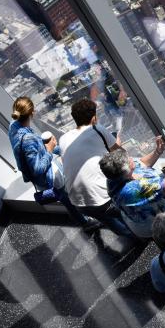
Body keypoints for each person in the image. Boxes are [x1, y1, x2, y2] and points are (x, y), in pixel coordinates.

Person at [8, 97, 99, 231]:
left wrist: (54, 148)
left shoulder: (13, 126)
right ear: (32, 113)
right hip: (48, 177)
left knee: (67, 200)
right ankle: (86, 223)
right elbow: (37, 169)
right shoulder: (27, 138)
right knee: (69, 201)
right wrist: (50, 150)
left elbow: (32, 150)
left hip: (41, 175)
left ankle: (84, 221)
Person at [58, 98, 134, 238]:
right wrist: (116, 141)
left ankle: (129, 235)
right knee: (126, 213)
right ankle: (140, 235)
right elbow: (121, 153)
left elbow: (68, 163)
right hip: (102, 199)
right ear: (94, 117)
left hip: (77, 202)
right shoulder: (97, 129)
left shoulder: (63, 138)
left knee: (108, 220)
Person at [99, 135, 165, 239]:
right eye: (129, 159)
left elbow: (141, 164)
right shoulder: (134, 189)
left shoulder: (114, 176)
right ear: (127, 170)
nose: (131, 158)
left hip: (147, 221)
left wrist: (158, 151)